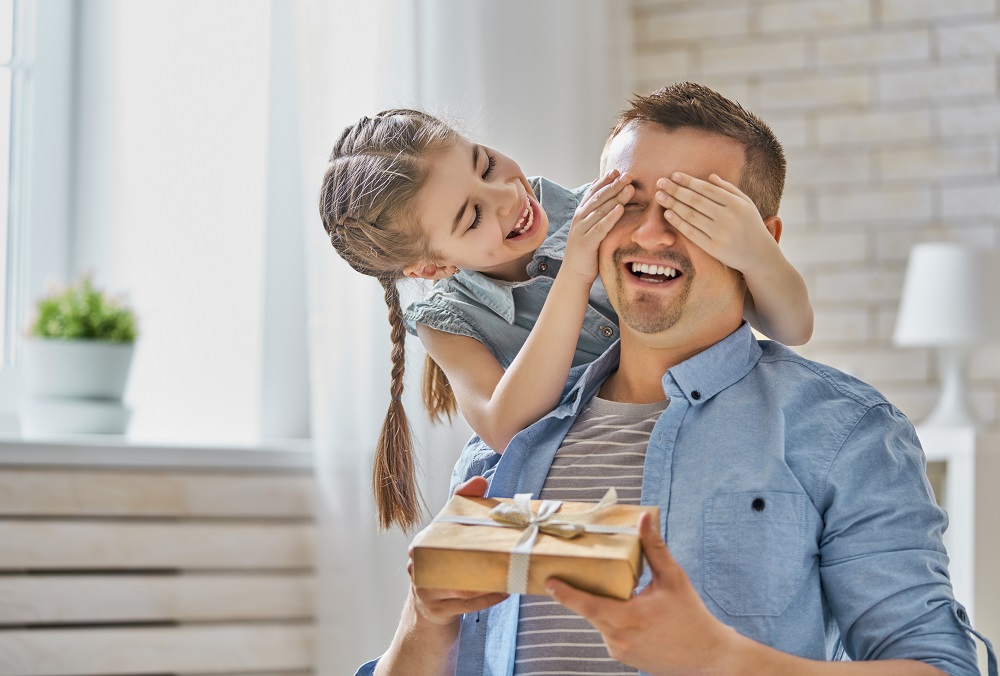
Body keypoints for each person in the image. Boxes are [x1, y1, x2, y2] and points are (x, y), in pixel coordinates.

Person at [356, 82, 995, 676]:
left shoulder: (841, 432)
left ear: (760, 240)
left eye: (695, 209)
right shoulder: (503, 452)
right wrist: (424, 624)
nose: (652, 231)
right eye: (626, 202)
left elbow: (941, 665)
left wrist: (719, 658)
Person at [319, 107, 813, 531]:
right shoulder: (444, 317)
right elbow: (504, 425)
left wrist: (756, 251)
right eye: (472, 217)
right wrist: (575, 272)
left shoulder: (606, 209)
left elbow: (792, 329)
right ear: (431, 267)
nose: (507, 197)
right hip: (574, 489)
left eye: (486, 165)